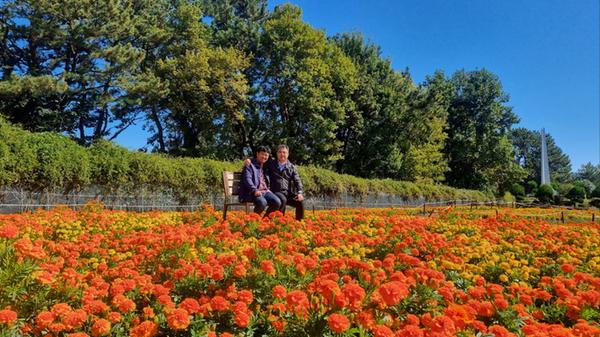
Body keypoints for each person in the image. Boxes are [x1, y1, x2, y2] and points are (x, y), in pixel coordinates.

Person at [245, 144, 305, 220]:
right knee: (282, 199)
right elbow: (260, 159)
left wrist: (300, 192)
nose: (282, 154)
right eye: (280, 152)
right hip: (275, 192)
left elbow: (297, 180)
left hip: (287, 193)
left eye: (284, 152)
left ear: (288, 154)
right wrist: (250, 160)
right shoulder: (270, 164)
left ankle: (299, 223)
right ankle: (279, 222)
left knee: (300, 202)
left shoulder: (292, 167)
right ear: (277, 153)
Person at [239, 146, 281, 217]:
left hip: (265, 191)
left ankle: (265, 221)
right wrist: (254, 190)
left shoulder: (265, 166)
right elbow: (247, 179)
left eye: (266, 155)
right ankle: (253, 220)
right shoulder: (250, 165)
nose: (264, 157)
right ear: (257, 154)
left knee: (277, 202)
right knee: (262, 202)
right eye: (262, 154)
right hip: (251, 192)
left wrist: (268, 189)